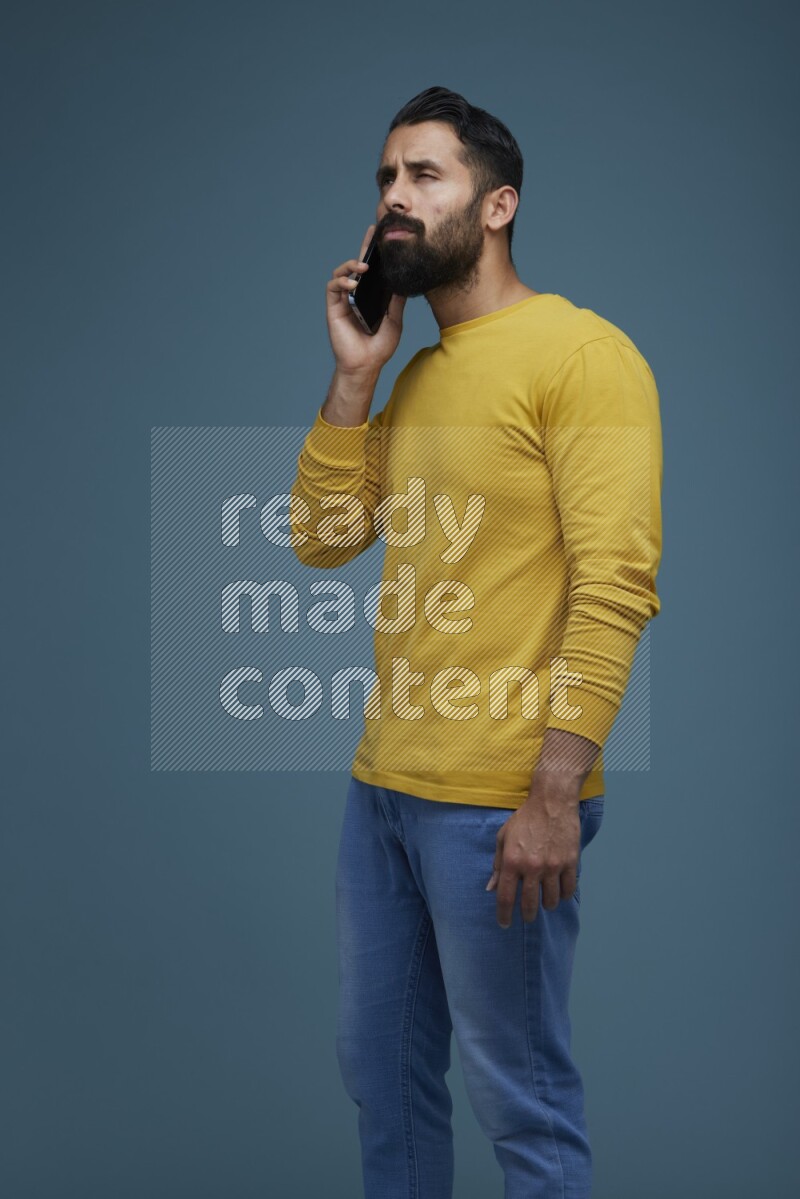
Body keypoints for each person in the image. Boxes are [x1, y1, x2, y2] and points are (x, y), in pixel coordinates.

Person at [289, 84, 662, 1199]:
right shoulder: (415, 374)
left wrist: (552, 792)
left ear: (496, 205)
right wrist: (355, 377)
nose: (393, 200)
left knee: (518, 1092)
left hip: (500, 797)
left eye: (423, 175)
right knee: (382, 1076)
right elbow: (320, 538)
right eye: (384, 180)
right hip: (384, 790)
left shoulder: (581, 356)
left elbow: (614, 584)